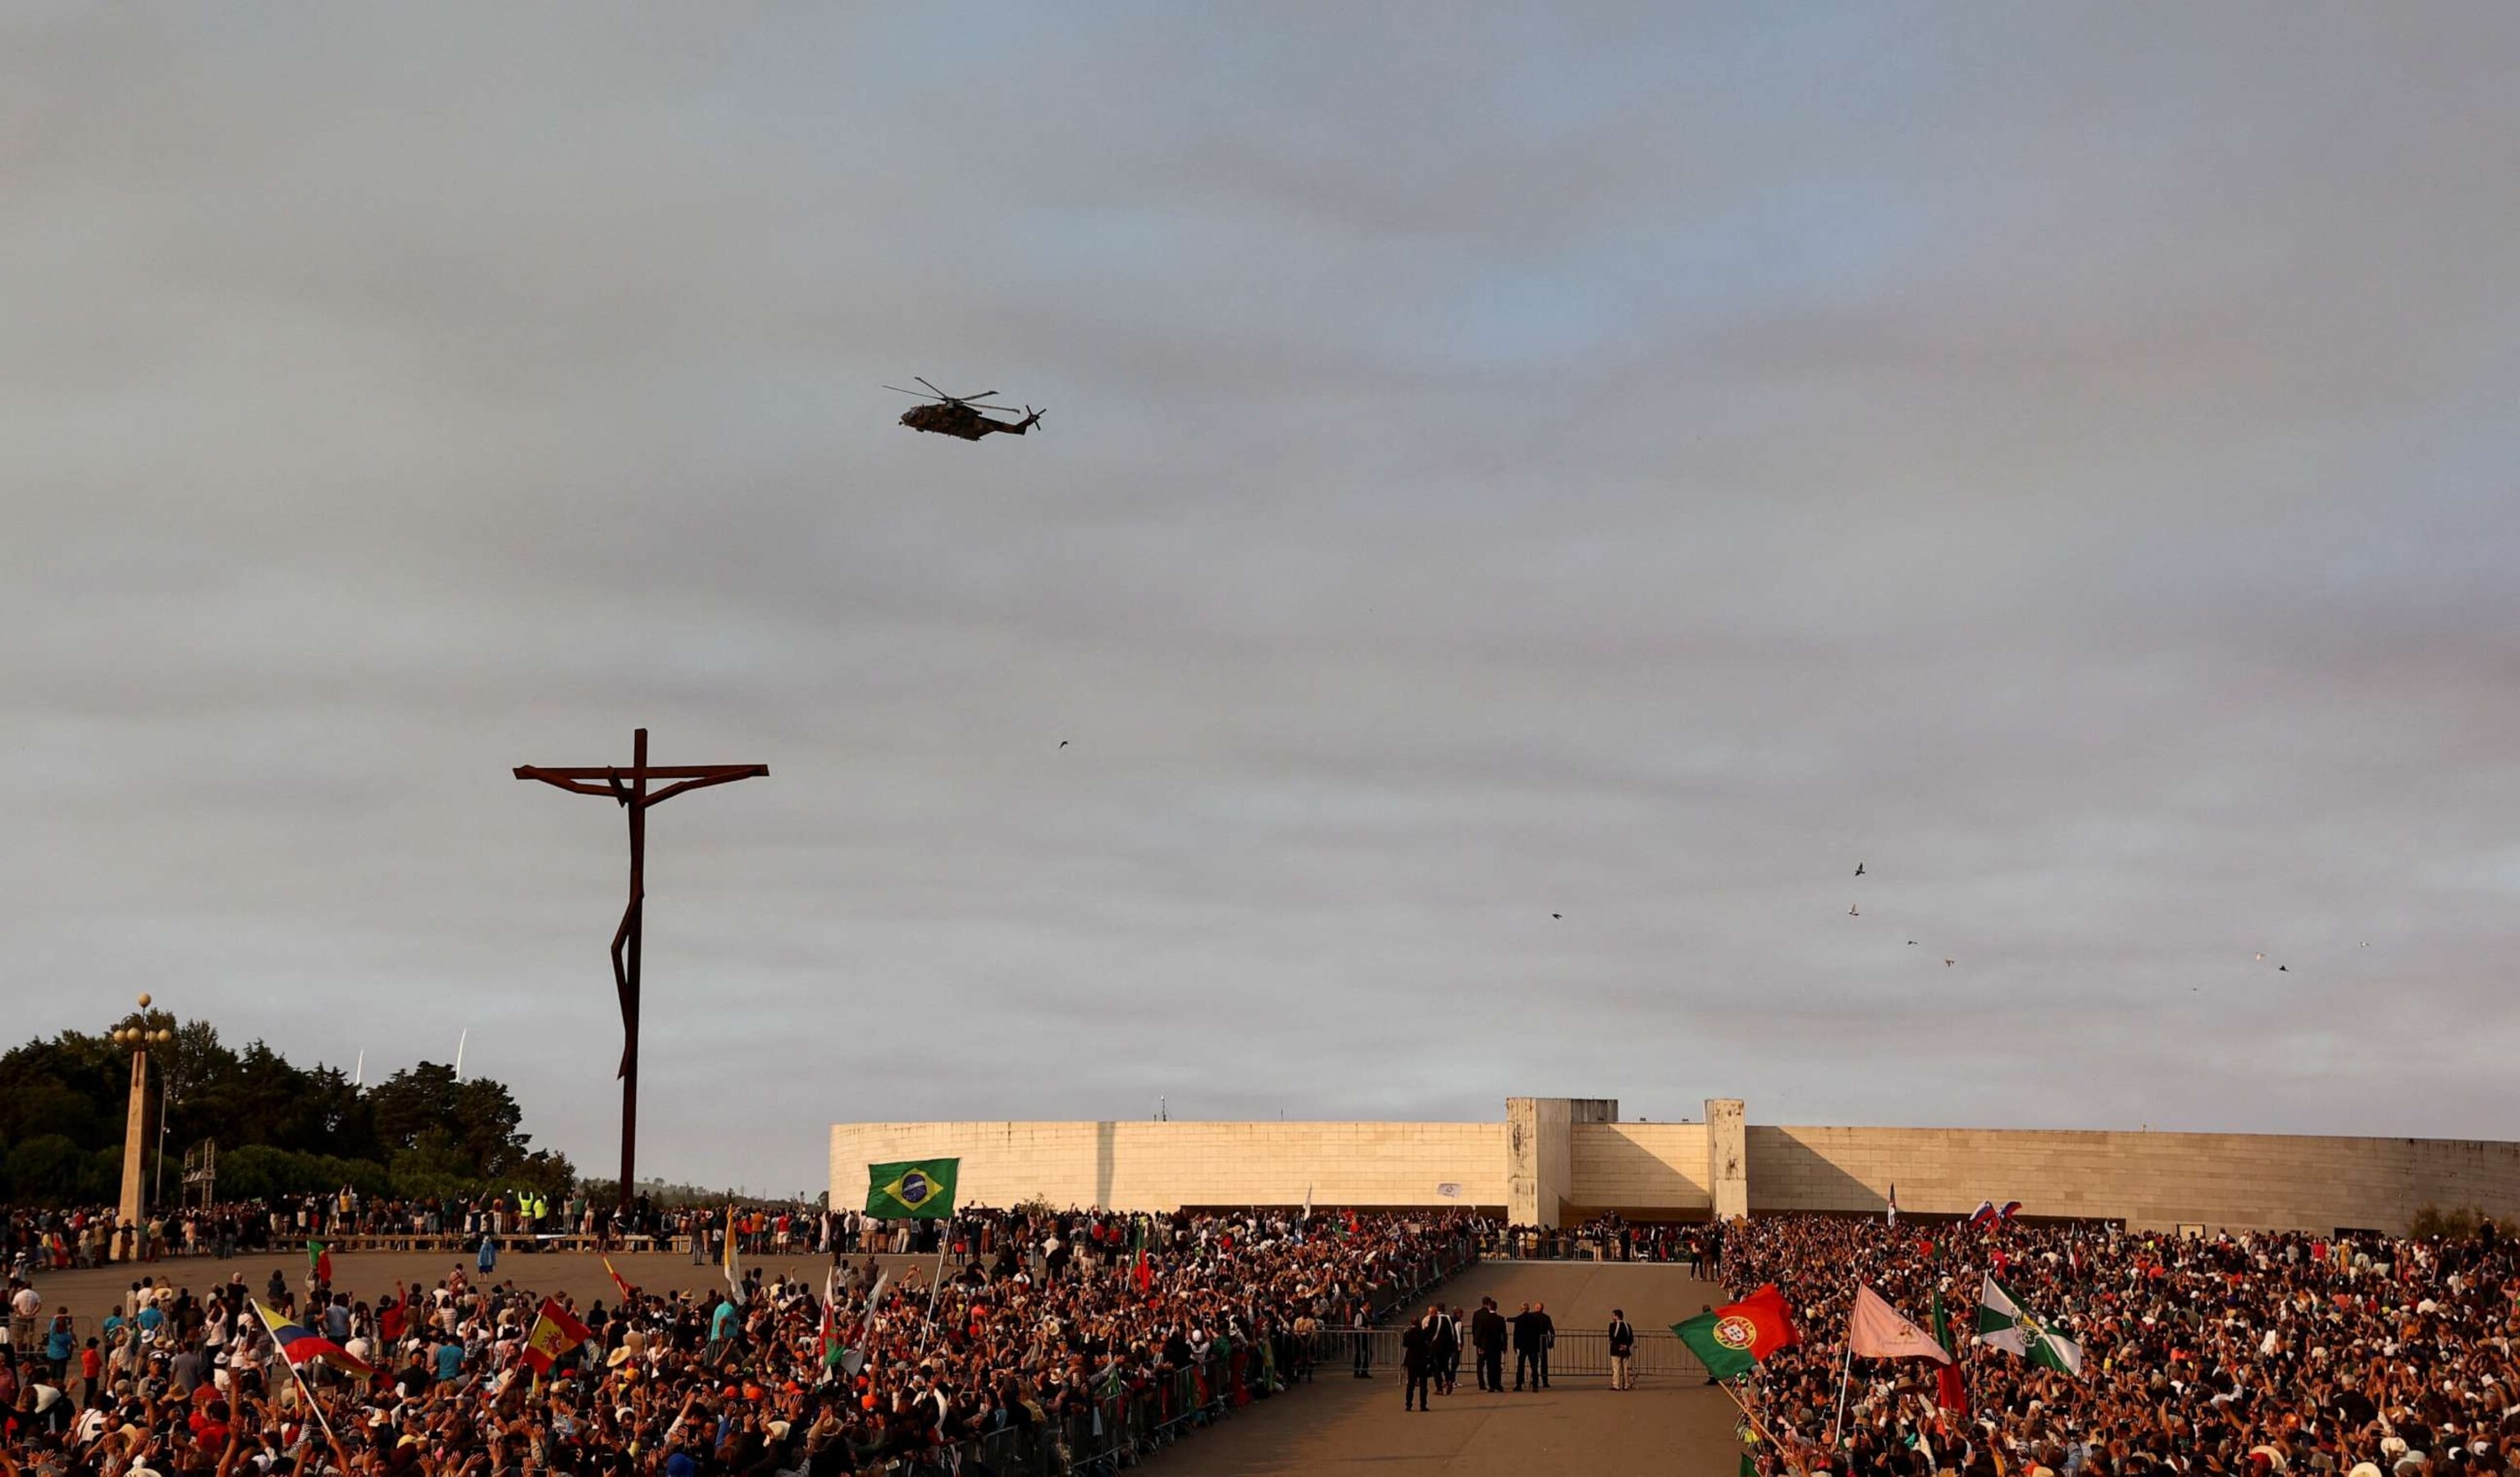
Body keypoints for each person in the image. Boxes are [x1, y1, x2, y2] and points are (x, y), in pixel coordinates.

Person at [1400, 1306, 1436, 1412]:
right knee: (1423, 1384)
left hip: (1411, 1360)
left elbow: (1405, 1344)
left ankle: (1408, 1404)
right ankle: (1423, 1405)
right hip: (1422, 1360)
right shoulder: (1422, 1333)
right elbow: (1427, 1343)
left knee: (1411, 1384)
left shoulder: (1408, 1333)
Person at [1470, 1297, 1507, 1392]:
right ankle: (1498, 1384)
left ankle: (1491, 1386)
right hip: (1497, 1346)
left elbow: (1478, 1332)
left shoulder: (1484, 1319)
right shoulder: (1501, 1319)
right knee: (1497, 1366)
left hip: (1485, 1345)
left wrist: (1478, 1344)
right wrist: (1504, 1346)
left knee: (1488, 1366)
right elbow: (1504, 1334)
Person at [1509, 1301, 1545, 1391]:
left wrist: (1515, 1345)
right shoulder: (1535, 1319)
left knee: (1521, 1366)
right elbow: (1537, 1333)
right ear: (1529, 1309)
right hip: (1533, 1346)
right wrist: (1537, 1346)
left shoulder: (1519, 1319)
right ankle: (1535, 1385)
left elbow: (1516, 1334)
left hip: (1522, 1346)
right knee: (1534, 1366)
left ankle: (1519, 1384)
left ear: (1521, 1309)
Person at [1607, 1307, 1636, 1391]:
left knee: (1616, 1368)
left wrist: (1619, 1346)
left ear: (1617, 1316)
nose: (1612, 1317)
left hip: (1615, 1350)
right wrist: (1626, 1346)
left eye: (1613, 1315)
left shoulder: (1612, 1325)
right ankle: (1626, 1384)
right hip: (1626, 1350)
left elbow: (1612, 1337)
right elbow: (1631, 1338)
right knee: (1626, 1368)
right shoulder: (1628, 1326)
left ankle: (1616, 1385)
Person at [1532, 1300, 1555, 1388]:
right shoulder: (1546, 1317)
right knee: (1544, 1362)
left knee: (1534, 1362)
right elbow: (1552, 1331)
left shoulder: (1531, 1316)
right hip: (1543, 1342)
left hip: (1533, 1342)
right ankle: (1545, 1381)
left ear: (1537, 1308)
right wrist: (1551, 1342)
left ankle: (1535, 1380)